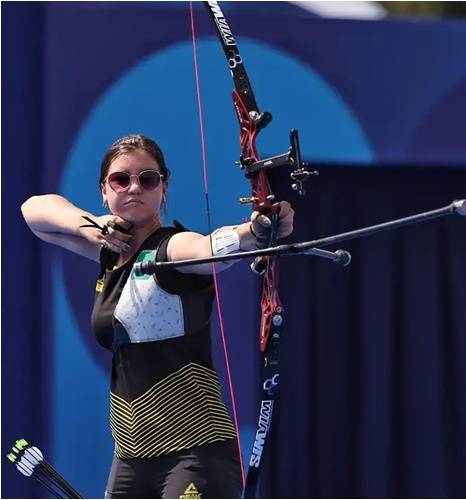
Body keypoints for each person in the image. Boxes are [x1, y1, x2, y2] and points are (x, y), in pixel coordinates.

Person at [20, 134, 294, 498]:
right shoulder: (108, 254)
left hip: (195, 451)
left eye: (148, 179)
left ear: (163, 188)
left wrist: (255, 231)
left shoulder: (171, 248)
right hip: (131, 459)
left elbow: (207, 249)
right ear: (105, 190)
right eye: (121, 179)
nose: (134, 187)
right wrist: (93, 225)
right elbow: (33, 211)